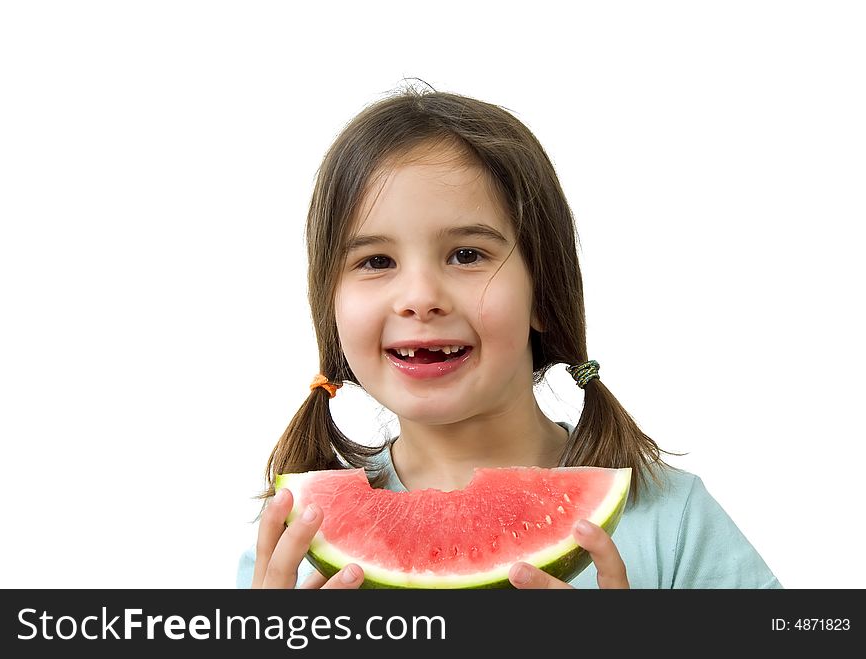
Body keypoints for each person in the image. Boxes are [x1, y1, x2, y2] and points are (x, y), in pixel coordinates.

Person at [237, 85, 781, 590]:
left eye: (467, 255)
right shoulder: (293, 539)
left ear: (543, 294)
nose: (419, 296)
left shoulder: (672, 521)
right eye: (376, 261)